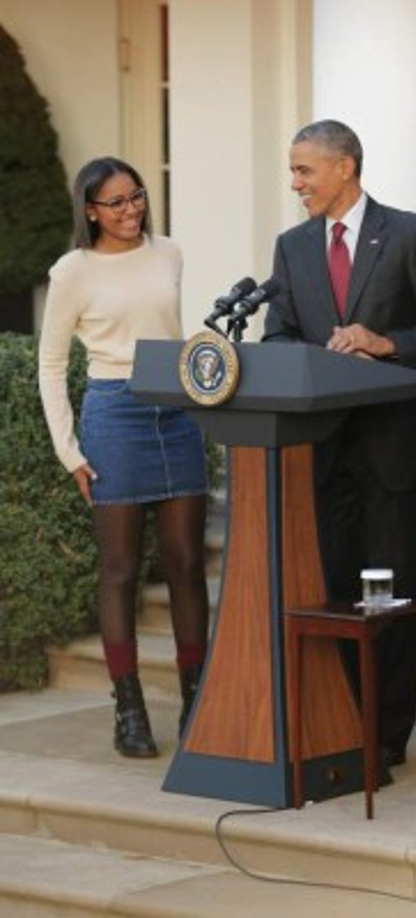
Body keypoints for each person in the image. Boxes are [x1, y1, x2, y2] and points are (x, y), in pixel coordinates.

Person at [263, 119, 416, 772]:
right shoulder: (291, 248)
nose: (295, 184)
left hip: (391, 450)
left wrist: (384, 342)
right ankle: (345, 722)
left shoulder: (408, 234)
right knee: (339, 595)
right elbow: (277, 336)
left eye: (303, 170)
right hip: (323, 451)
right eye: (292, 171)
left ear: (343, 166)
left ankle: (385, 736)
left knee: (393, 595)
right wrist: (313, 355)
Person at [39, 157, 210, 759]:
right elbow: (52, 365)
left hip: (177, 407)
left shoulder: (170, 253)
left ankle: (197, 700)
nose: (130, 209)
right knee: (119, 569)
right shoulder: (72, 272)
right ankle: (129, 709)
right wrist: (69, 451)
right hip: (113, 413)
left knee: (188, 563)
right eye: (115, 203)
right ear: (90, 210)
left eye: (135, 197)